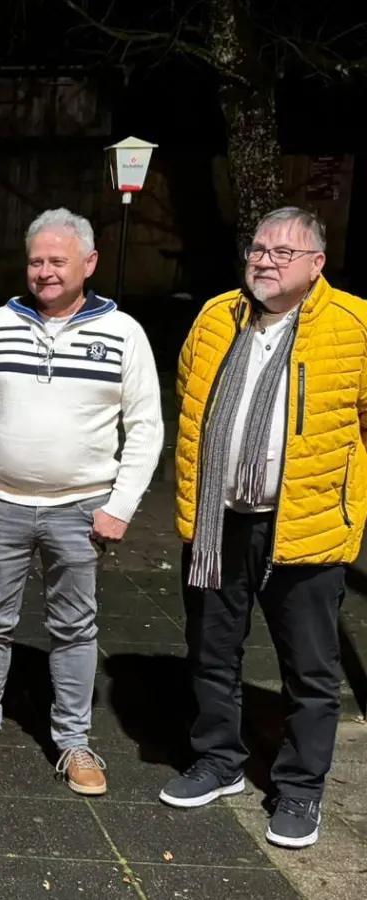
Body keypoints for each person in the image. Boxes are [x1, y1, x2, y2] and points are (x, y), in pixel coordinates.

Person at [0, 208, 164, 794]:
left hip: (81, 509)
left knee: (74, 627)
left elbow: (145, 427)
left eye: (56, 261)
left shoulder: (123, 333)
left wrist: (121, 506)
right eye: (36, 260)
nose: (43, 271)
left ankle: (73, 742)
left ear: (88, 263)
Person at [163, 206, 366, 849]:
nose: (266, 260)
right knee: (211, 650)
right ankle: (219, 760)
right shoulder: (216, 315)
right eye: (259, 248)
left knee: (309, 669)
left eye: (284, 252)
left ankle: (301, 789)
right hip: (217, 518)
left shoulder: (355, 325)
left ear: (316, 264)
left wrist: (345, 497)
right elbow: (188, 393)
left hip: (304, 525)